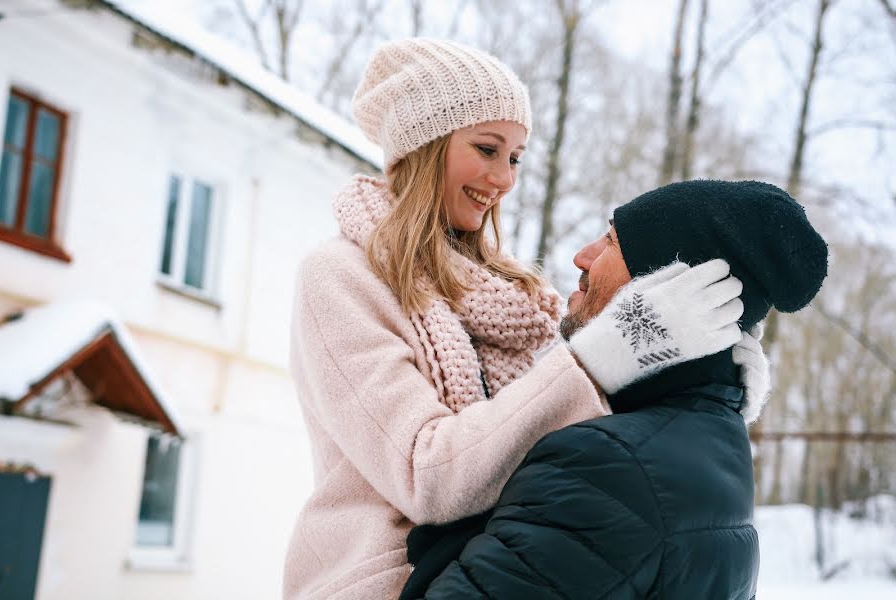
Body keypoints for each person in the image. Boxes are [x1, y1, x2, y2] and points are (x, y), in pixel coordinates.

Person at [283, 38, 762, 600]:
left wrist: (707, 369)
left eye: (514, 157)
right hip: (385, 584)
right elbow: (427, 475)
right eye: (487, 148)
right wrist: (603, 354)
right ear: (424, 145)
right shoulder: (341, 278)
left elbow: (560, 433)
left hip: (494, 566)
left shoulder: (511, 296)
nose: (505, 178)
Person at [401, 179, 828, 600]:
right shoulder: (719, 447)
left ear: (666, 288)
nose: (582, 257)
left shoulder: (603, 465)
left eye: (611, 243)